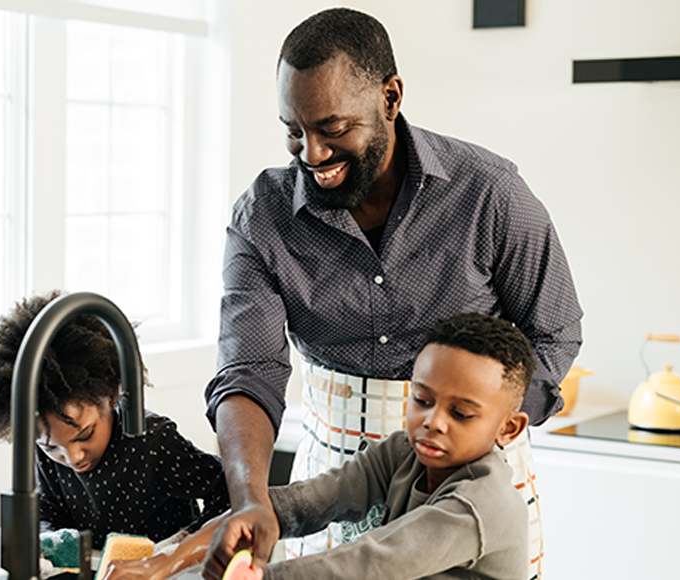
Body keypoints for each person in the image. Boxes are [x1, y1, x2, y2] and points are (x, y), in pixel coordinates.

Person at [204, 7, 583, 579]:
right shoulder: (263, 217)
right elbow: (248, 370)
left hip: (473, 478)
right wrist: (250, 494)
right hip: (336, 473)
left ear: (390, 97)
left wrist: (477, 433)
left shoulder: (490, 194)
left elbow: (553, 334)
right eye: (293, 131)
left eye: (332, 129)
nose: (311, 154)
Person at [105, 312, 534, 580]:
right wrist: (169, 560)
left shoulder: (481, 506)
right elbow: (302, 503)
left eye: (461, 414)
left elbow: (374, 562)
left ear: (509, 429)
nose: (433, 422)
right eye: (422, 400)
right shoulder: (401, 452)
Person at [0, 291, 231, 549]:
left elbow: (228, 493)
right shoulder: (44, 446)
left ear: (110, 396)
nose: (73, 457)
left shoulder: (153, 442)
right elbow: (46, 512)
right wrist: (52, 542)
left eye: (84, 434)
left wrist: (179, 547)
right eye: (52, 447)